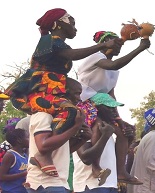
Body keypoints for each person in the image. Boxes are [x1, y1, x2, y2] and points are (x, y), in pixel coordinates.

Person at [6, 8, 120, 178]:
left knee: (76, 119)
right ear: (58, 23)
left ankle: (55, 152)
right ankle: (42, 155)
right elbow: (71, 55)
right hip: (36, 92)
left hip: (51, 91)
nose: (75, 28)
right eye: (72, 23)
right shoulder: (49, 40)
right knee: (70, 111)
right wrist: (102, 45)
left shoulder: (58, 43)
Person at [77, 30, 150, 185]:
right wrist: (139, 48)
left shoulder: (115, 71)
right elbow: (115, 63)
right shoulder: (96, 57)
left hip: (104, 103)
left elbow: (111, 94)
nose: (119, 46)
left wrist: (118, 118)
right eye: (115, 42)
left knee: (124, 132)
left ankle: (121, 172)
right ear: (105, 43)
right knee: (98, 127)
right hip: (86, 100)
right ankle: (95, 167)